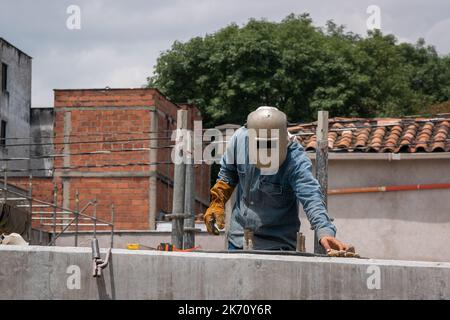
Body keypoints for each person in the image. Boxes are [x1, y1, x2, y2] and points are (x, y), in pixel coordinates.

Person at [204, 106, 349, 252]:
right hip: (239, 239)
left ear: (282, 139)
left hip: (278, 245)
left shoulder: (295, 160)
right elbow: (228, 174)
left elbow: (311, 196)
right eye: (260, 144)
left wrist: (324, 229)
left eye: (270, 145)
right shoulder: (239, 140)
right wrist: (217, 202)